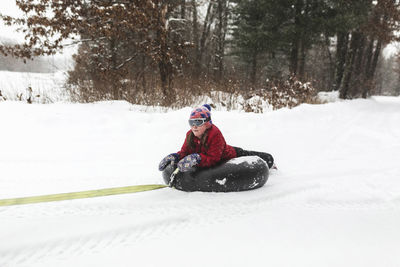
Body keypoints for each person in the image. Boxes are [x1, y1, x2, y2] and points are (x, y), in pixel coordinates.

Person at [158, 104, 275, 173]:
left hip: (229, 154)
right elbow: (185, 152)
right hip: (217, 151)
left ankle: (270, 161)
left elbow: (214, 158)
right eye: (191, 122)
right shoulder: (190, 135)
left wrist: (198, 158)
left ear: (207, 123)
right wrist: (176, 156)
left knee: (247, 154)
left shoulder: (215, 134)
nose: (194, 126)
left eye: (198, 122)